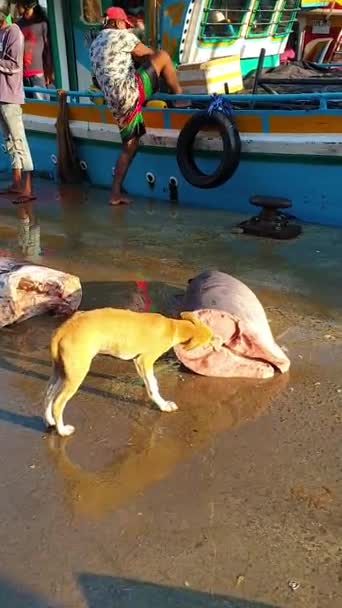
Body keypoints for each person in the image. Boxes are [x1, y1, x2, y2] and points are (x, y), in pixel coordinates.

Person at [89, 6, 184, 206]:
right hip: (129, 92)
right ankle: (182, 101)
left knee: (130, 146)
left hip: (115, 103)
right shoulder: (121, 36)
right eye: (125, 24)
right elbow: (151, 55)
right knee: (164, 57)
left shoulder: (95, 44)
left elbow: (99, 79)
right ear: (116, 23)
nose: (126, 28)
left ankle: (115, 193)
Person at [0, 0, 35, 204]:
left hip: (10, 96)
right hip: (1, 96)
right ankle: (16, 182)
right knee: (9, 141)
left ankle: (28, 188)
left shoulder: (14, 32)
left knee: (19, 140)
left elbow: (14, 65)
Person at [16, 0, 53, 100]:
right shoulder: (18, 25)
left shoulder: (42, 23)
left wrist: (49, 71)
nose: (16, 6)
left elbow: (47, 49)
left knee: (43, 106)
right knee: (29, 107)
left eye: (18, 4)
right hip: (22, 74)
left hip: (38, 73)